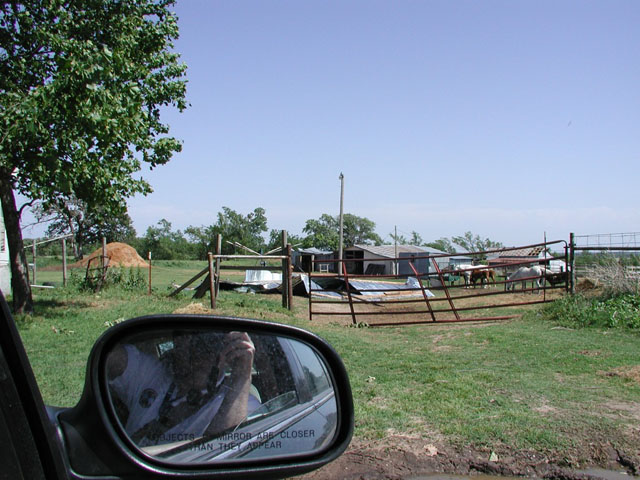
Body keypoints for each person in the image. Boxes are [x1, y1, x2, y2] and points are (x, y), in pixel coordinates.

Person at [107, 330, 260, 448]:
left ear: (227, 349)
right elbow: (110, 356)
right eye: (190, 334)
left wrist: (241, 378)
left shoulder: (240, 402)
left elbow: (224, 451)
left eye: (211, 338)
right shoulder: (154, 374)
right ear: (175, 341)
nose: (201, 348)